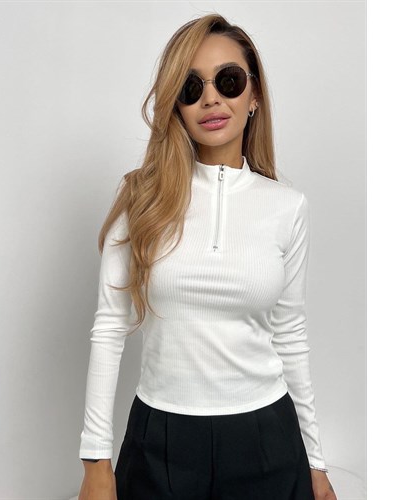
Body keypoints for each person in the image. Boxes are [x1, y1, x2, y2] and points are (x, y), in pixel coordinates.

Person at [77, 13, 337, 500]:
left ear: (254, 95)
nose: (211, 99)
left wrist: (316, 463)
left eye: (229, 80)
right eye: (191, 87)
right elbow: (109, 327)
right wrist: (95, 460)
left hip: (267, 437)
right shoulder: (141, 199)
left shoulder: (287, 207)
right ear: (175, 105)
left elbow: (290, 335)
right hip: (160, 438)